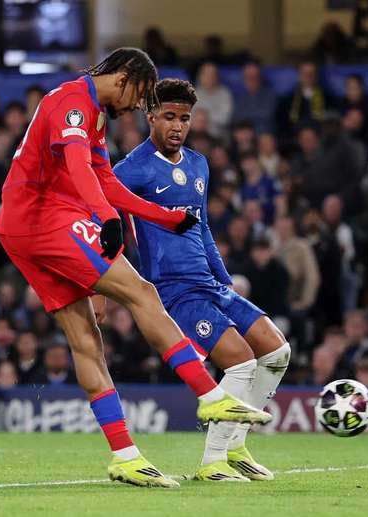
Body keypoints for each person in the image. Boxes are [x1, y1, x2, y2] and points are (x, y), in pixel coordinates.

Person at [0, 48, 269, 488]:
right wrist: (106, 219)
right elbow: (80, 169)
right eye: (140, 97)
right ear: (124, 79)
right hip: (43, 216)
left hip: (20, 227)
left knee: (86, 341)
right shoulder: (73, 102)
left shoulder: (95, 115)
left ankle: (124, 455)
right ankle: (208, 393)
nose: (138, 108)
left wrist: (165, 217)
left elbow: (105, 182)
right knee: (141, 293)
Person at [114, 78, 290, 482]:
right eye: (170, 117)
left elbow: (203, 226)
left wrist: (223, 277)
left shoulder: (198, 164)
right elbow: (103, 214)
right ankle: (212, 463)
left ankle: (236, 448)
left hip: (209, 284)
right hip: (174, 290)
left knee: (277, 351)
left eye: (185, 118)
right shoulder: (131, 169)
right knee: (241, 361)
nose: (178, 126)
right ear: (151, 116)